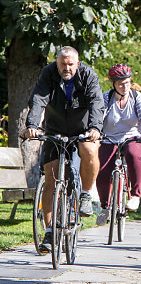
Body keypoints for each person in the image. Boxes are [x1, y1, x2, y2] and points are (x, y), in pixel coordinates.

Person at [25, 46, 104, 253]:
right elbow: (38, 99)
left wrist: (95, 128)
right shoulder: (48, 73)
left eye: (71, 64)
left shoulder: (88, 75)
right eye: (62, 64)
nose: (66, 68)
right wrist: (32, 125)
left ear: (77, 63)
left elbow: (97, 102)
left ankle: (85, 195)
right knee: (51, 180)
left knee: (89, 149)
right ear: (57, 62)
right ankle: (50, 232)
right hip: (55, 128)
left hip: (83, 129)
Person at [95, 64, 141, 226]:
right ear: (113, 84)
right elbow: (99, 118)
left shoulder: (136, 97)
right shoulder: (107, 98)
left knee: (133, 154)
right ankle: (105, 207)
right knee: (103, 171)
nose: (124, 86)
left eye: (127, 82)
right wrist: (95, 132)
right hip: (109, 138)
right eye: (120, 83)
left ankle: (135, 195)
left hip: (133, 137)